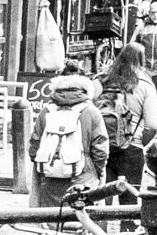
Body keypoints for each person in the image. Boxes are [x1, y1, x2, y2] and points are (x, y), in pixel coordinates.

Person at [29, 68, 110, 209]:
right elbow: (100, 148)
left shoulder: (46, 111)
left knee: (52, 217)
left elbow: (34, 145)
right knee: (82, 216)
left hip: (50, 174)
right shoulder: (91, 112)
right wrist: (98, 171)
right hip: (83, 175)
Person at [95, 43, 157, 188]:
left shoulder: (101, 80)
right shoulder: (146, 86)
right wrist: (141, 142)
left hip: (102, 144)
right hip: (132, 146)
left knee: (101, 194)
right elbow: (153, 125)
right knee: (130, 198)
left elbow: (88, 110)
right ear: (142, 61)